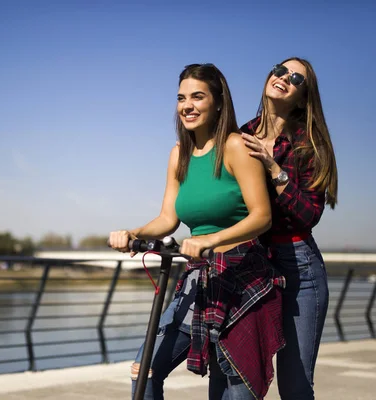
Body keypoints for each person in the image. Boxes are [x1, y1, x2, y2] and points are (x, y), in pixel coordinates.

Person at [108, 63, 285, 400]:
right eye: (181, 98)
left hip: (242, 277)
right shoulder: (179, 155)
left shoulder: (236, 147)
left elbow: (262, 216)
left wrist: (210, 239)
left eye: (197, 97)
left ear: (218, 102)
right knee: (144, 371)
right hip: (197, 278)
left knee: (234, 382)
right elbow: (167, 218)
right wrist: (132, 233)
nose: (187, 105)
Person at [240, 57, 338, 400]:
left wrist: (273, 168)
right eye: (280, 70)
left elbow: (308, 215)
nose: (284, 78)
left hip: (300, 269)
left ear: (302, 96)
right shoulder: (240, 136)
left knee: (294, 387)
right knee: (241, 377)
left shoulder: (309, 144)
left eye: (295, 78)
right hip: (251, 265)